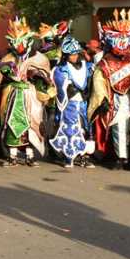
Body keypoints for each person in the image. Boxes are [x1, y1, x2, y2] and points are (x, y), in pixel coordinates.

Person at [88, 9, 130, 170]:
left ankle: (126, 155)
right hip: (112, 99)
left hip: (129, 99)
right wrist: (102, 98)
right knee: (114, 127)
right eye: (119, 37)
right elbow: (98, 80)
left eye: (125, 37)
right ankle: (118, 156)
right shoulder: (104, 61)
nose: (123, 41)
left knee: (128, 128)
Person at [0, 17, 53, 167]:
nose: (18, 46)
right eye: (15, 42)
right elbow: (0, 72)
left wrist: (38, 76)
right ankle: (12, 156)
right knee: (12, 123)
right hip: (14, 94)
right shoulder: (8, 57)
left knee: (33, 123)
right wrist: (6, 71)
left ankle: (30, 156)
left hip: (31, 94)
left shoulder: (38, 58)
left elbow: (46, 76)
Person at [50, 37, 96, 168]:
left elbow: (92, 81)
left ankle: (84, 157)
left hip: (83, 103)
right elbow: (60, 88)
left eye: (76, 54)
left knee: (85, 129)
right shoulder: (61, 69)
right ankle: (69, 156)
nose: (74, 57)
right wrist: (68, 89)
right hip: (69, 105)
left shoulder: (87, 66)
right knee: (70, 130)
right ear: (66, 55)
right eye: (71, 54)